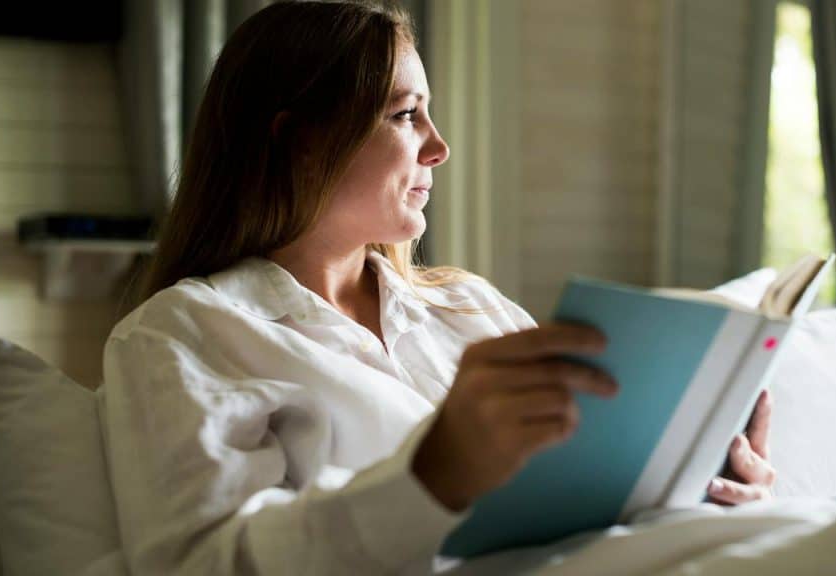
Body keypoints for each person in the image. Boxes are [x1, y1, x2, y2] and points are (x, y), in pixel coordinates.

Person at [102, 1, 776, 573]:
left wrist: (706, 478)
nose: (438, 147)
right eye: (404, 115)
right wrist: (429, 478)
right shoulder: (184, 333)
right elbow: (210, 562)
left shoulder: (468, 307)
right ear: (300, 141)